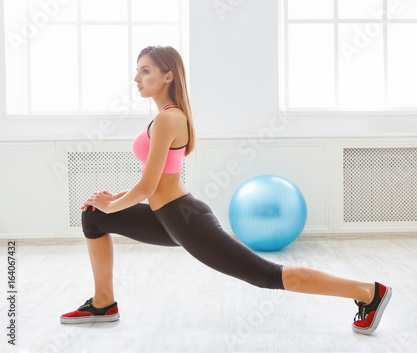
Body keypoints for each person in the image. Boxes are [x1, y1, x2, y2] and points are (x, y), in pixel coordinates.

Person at [60, 45, 391, 335]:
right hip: (168, 215)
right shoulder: (164, 118)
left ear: (167, 76)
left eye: (145, 71)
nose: (137, 79)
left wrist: (113, 204)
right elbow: (157, 180)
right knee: (93, 217)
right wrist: (110, 201)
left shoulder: (168, 119)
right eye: (136, 71)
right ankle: (104, 303)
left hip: (184, 218)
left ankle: (368, 292)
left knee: (266, 275)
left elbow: (148, 186)